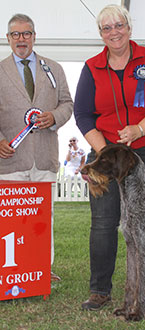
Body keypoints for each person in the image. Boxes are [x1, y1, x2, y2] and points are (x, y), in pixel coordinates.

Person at [74, 4, 145, 313]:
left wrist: (139, 128)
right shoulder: (91, 66)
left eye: (119, 25)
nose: (114, 32)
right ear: (101, 34)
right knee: (104, 221)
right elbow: (82, 115)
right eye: (107, 28)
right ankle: (100, 290)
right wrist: (105, 152)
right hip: (107, 153)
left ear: (129, 28)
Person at [0, 14, 73, 281]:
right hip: (10, 160)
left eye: (27, 33)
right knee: (10, 220)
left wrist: (54, 117)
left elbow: (67, 103)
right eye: (16, 34)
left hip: (44, 158)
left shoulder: (53, 68)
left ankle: (42, 268)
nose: (22, 39)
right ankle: (13, 269)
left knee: (44, 218)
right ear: (8, 38)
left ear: (34, 36)